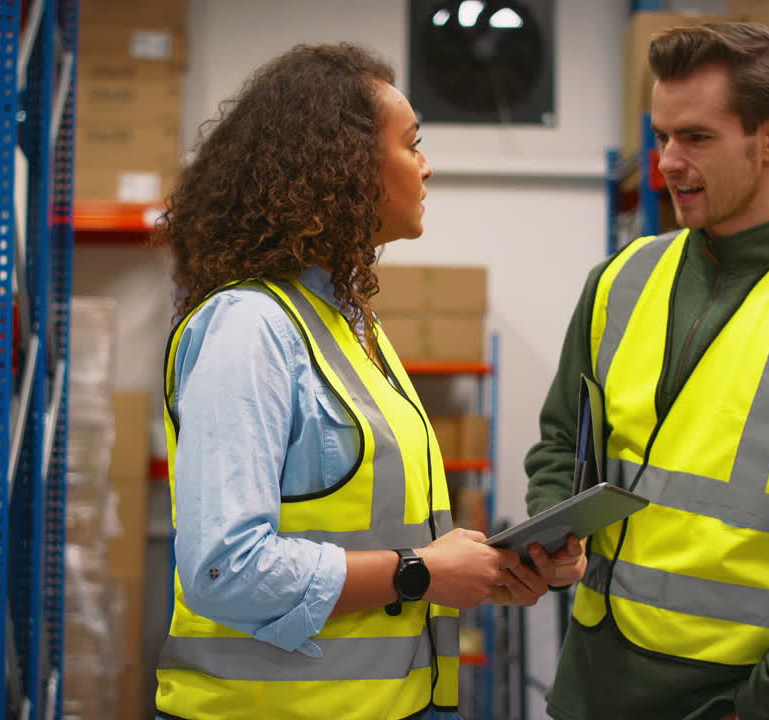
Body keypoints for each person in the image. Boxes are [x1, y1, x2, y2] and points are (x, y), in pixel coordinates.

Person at [524, 22, 769, 720]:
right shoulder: (618, 283)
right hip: (594, 687)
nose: (668, 162)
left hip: (737, 699)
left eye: (696, 138)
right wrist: (551, 530)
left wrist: (768, 705)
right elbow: (561, 439)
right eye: (661, 136)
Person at [154, 43, 555, 720]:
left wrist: (483, 572)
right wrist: (420, 572)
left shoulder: (350, 326)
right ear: (340, 169)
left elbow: (376, 537)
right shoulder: (250, 327)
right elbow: (225, 569)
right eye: (412, 144)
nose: (426, 166)